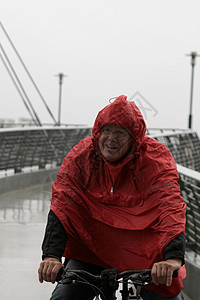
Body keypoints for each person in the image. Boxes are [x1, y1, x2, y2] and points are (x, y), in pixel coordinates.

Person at [38, 95, 186, 300]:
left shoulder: (155, 159)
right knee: (64, 297)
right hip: (92, 250)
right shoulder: (80, 157)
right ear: (97, 132)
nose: (111, 139)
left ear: (135, 138)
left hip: (143, 252)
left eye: (120, 132)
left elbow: (170, 207)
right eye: (106, 130)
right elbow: (63, 204)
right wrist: (51, 256)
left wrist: (172, 259)